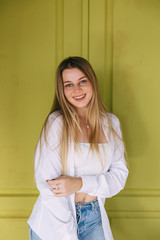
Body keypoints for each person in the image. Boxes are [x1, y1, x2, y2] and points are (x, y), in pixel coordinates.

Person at [27, 56, 129, 240]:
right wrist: (67, 236)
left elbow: (119, 177)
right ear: (62, 90)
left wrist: (79, 183)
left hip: (94, 217)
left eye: (82, 81)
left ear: (92, 82)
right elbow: (50, 188)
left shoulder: (111, 123)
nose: (77, 90)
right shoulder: (56, 123)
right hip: (54, 222)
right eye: (68, 84)